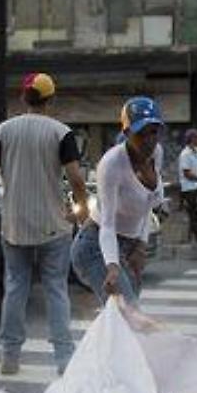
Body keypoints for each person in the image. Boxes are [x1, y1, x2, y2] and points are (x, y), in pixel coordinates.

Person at [0, 72, 88, 376]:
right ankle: (63, 358)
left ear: (24, 98)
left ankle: (10, 357)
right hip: (53, 225)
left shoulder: (4, 130)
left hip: (14, 225)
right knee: (55, 289)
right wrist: (83, 210)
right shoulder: (60, 132)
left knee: (15, 288)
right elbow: (76, 179)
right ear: (51, 99)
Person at [71, 96, 166, 306]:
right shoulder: (112, 164)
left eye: (154, 132)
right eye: (141, 133)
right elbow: (107, 223)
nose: (149, 140)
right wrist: (112, 266)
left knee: (124, 318)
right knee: (129, 314)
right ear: (126, 133)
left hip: (129, 245)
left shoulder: (156, 153)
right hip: (97, 245)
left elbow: (149, 207)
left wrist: (140, 245)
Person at [178, 128, 197, 241]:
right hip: (188, 187)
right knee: (193, 213)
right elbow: (187, 174)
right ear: (192, 139)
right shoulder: (185, 154)